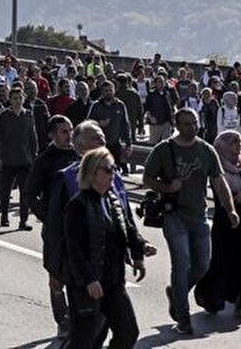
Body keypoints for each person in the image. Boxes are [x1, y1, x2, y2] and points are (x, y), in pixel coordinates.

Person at [142, 107, 239, 335]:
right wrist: (167, 187)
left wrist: (230, 209)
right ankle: (183, 317)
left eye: (194, 123)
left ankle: (176, 292)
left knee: (202, 265)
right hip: (174, 215)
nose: (191, 127)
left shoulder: (205, 150)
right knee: (181, 262)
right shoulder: (164, 150)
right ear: (177, 125)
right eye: (186, 123)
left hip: (199, 216)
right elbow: (147, 179)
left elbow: (219, 182)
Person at [64, 147, 145, 349]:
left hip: (113, 281)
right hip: (88, 284)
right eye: (108, 170)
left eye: (114, 169)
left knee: (128, 332)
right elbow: (74, 248)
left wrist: (138, 254)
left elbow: (126, 228)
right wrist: (89, 278)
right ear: (93, 172)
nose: (113, 174)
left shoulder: (112, 199)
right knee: (84, 341)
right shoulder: (78, 205)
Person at [193, 130, 241, 320]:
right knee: (222, 262)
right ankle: (211, 298)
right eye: (233, 143)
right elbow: (216, 189)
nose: (237, 147)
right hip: (227, 222)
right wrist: (231, 199)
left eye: (239, 142)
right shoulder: (216, 166)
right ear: (221, 145)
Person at [24, 114, 79, 339]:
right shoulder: (44, 160)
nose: (69, 135)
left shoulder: (81, 155)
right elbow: (29, 194)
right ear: (52, 135)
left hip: (80, 225)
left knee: (80, 273)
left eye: (71, 130)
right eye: (64, 131)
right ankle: (62, 320)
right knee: (56, 276)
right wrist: (47, 216)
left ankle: (80, 317)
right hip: (56, 229)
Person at [0, 88, 38, 230]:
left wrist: (34, 155)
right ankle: (4, 216)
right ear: (10, 100)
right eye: (14, 98)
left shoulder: (28, 115)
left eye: (19, 98)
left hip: (25, 160)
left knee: (25, 192)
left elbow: (32, 137)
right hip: (8, 159)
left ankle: (23, 220)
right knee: (5, 191)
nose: (17, 101)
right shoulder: (4, 116)